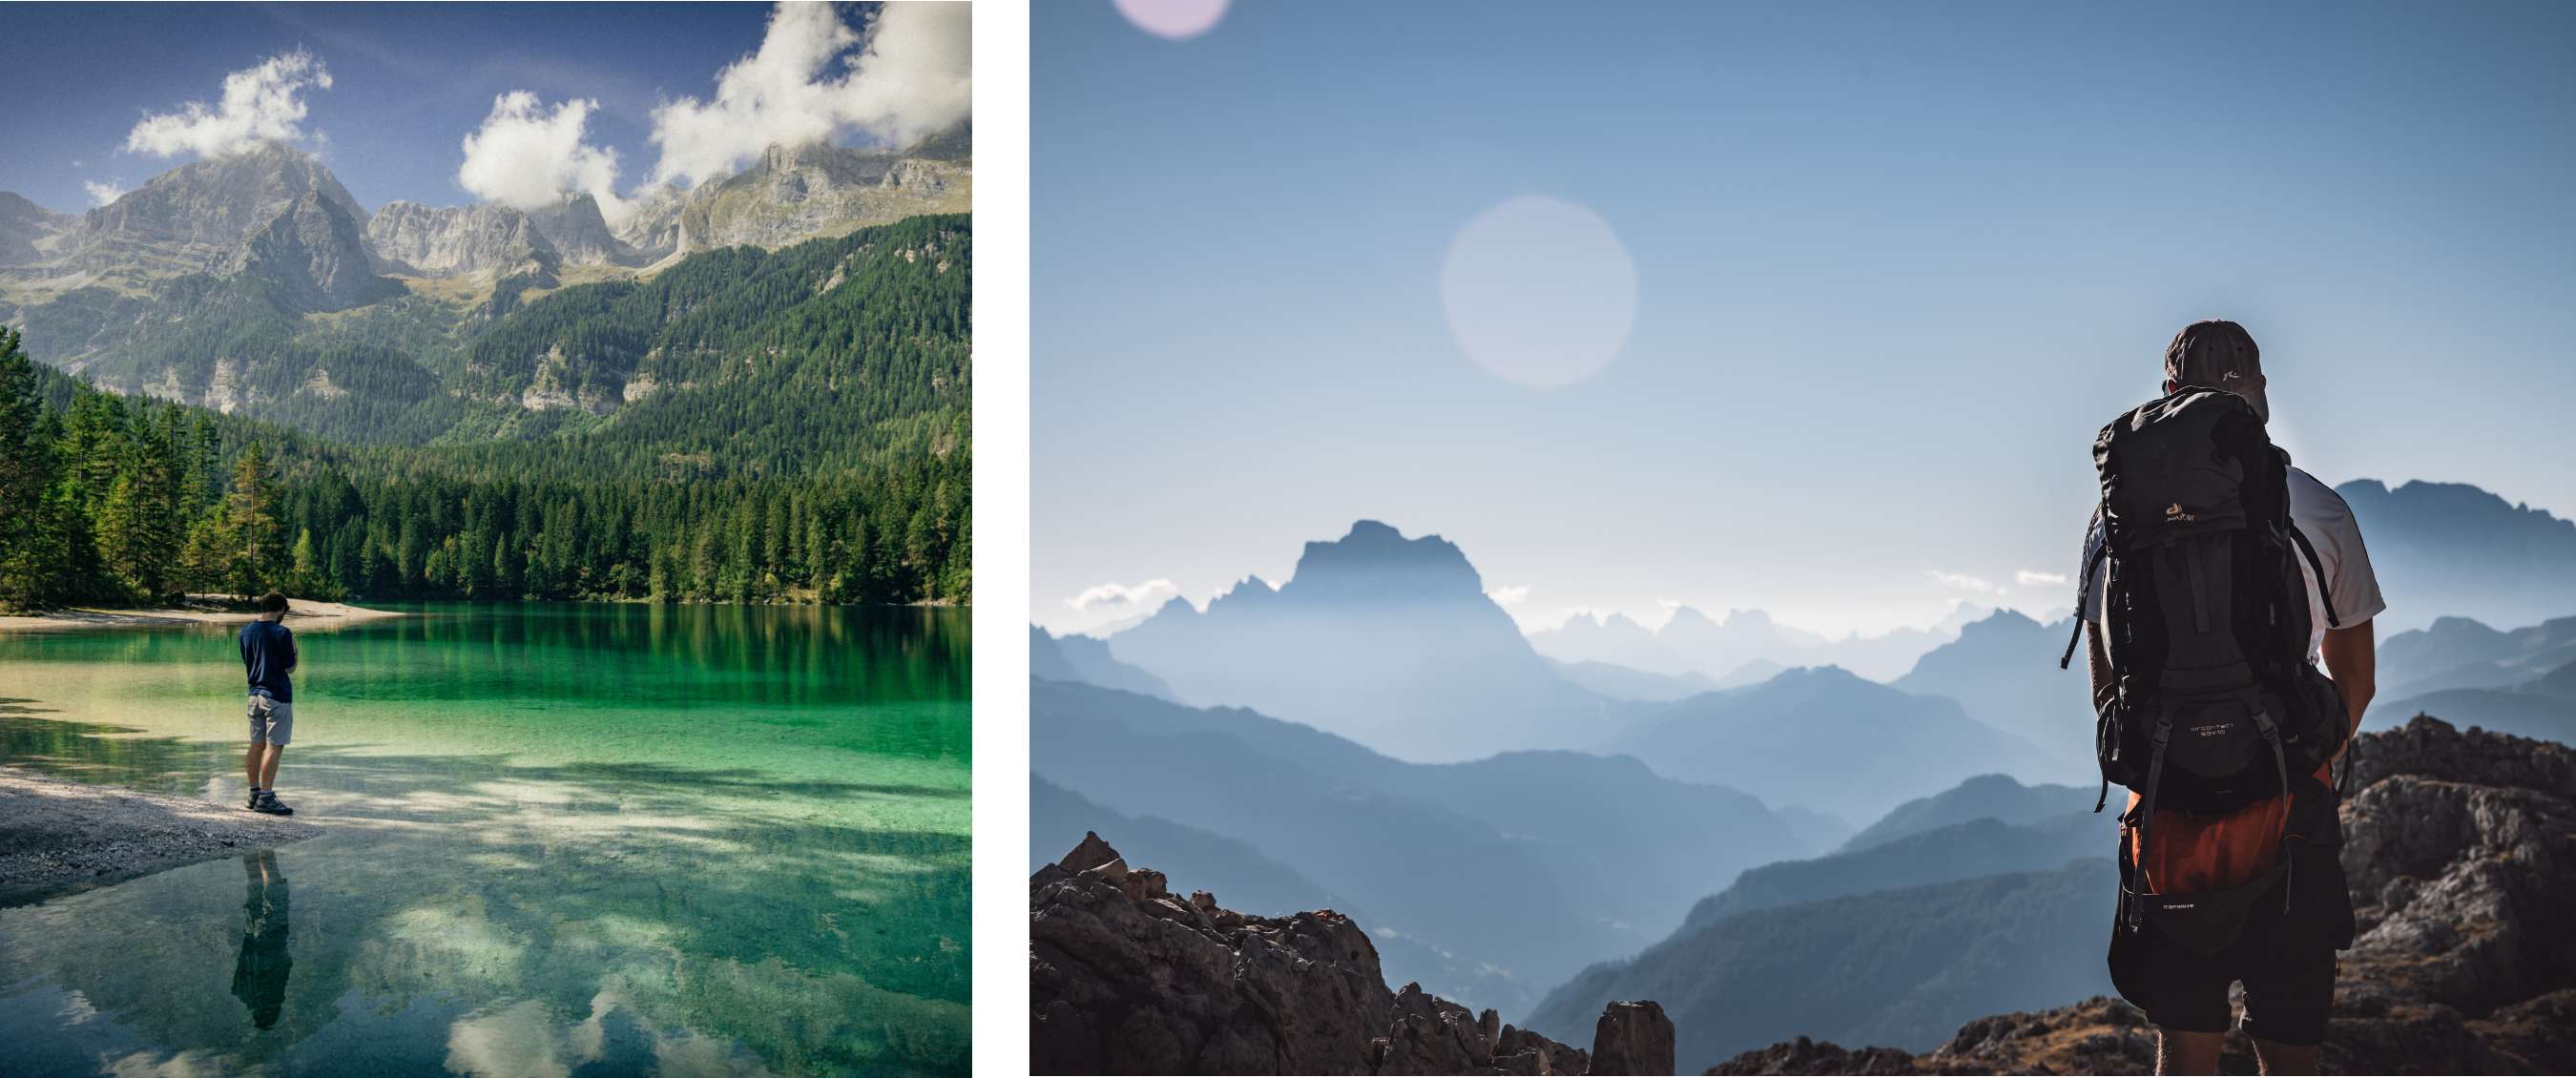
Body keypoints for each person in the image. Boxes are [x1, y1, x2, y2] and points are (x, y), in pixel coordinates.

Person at [2078, 320, 2383, 1075]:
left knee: (2184, 1050)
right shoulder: (2318, 509)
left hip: (2171, 816)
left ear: (2169, 396)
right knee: (2289, 1051)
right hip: (2289, 815)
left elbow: (2106, 688)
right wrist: (2294, 757)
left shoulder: (2112, 522)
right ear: (2260, 394)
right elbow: (2358, 679)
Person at [239, 591, 299, 816]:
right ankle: (266, 797)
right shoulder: (282, 633)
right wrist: (297, 652)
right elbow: (290, 668)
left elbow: (249, 661)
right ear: (281, 610)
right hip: (276, 695)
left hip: (254, 694)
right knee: (274, 746)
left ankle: (253, 794)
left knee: (256, 745)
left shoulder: (245, 631)